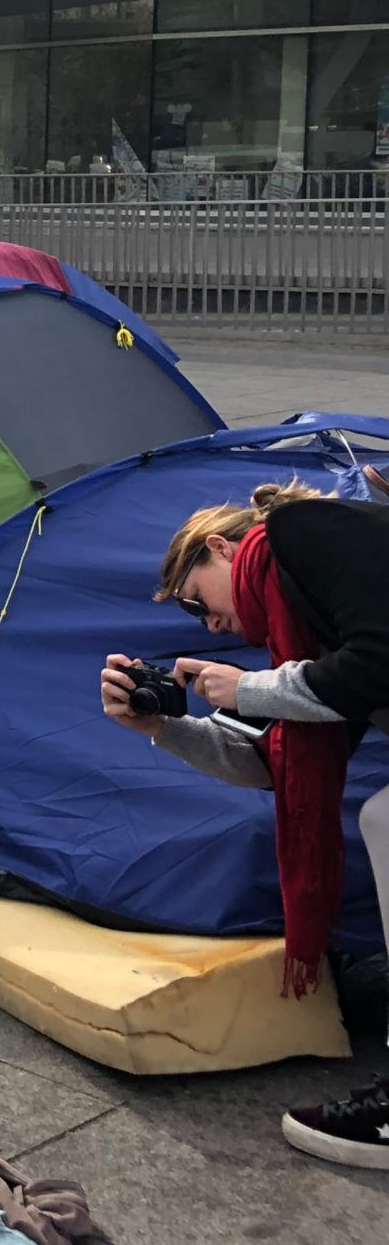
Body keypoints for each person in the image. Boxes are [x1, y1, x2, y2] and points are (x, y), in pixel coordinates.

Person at [101, 480, 389, 1169]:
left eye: (198, 600)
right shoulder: (308, 628)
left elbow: (380, 661)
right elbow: (278, 764)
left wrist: (250, 688)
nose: (209, 626)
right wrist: (164, 726)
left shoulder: (301, 533)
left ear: (222, 547)